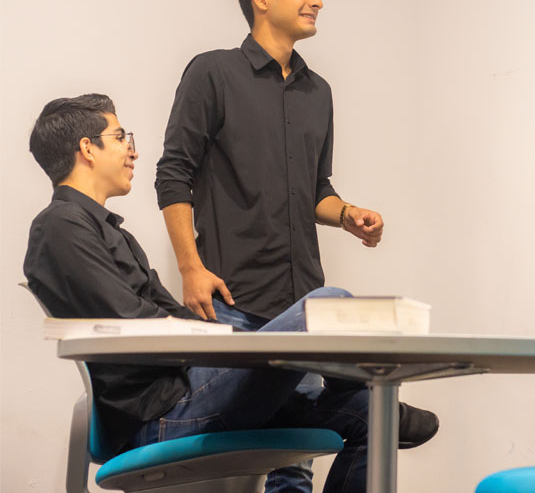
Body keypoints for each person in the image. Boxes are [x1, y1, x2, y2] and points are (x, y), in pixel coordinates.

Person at [24, 94, 438, 493]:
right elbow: (130, 323)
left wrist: (247, 348)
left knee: (371, 415)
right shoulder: (59, 227)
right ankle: (357, 384)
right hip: (161, 414)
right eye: (120, 138)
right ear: (87, 148)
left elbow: (173, 314)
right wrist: (247, 353)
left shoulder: (116, 234)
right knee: (325, 304)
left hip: (187, 391)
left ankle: (361, 394)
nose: (132, 151)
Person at [154, 0, 424, 491]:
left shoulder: (318, 91)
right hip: (232, 302)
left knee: (298, 458)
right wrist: (189, 267)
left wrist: (348, 215)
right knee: (248, 458)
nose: (316, 0)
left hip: (301, 306)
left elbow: (316, 191)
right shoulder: (212, 72)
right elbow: (172, 175)